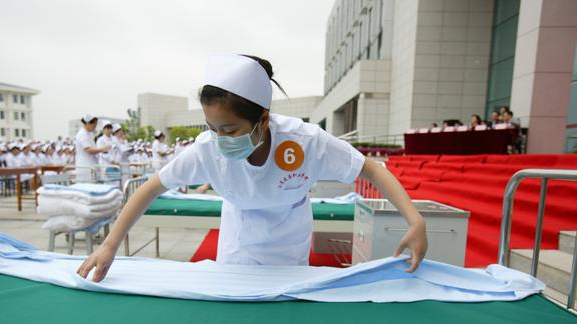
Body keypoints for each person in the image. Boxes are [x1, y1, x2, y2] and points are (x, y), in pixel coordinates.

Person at [78, 54, 428, 282]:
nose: (220, 138)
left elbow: (372, 170)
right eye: (211, 128)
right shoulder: (206, 151)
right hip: (237, 244)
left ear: (263, 119)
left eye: (229, 130)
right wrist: (109, 245)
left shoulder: (304, 141)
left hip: (289, 243)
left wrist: (415, 220)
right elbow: (149, 188)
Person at [74, 114, 111, 182]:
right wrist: (103, 148)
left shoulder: (88, 134)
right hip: (85, 166)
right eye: (94, 125)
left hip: (91, 166)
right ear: (88, 123)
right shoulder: (82, 134)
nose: (95, 127)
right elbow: (89, 150)